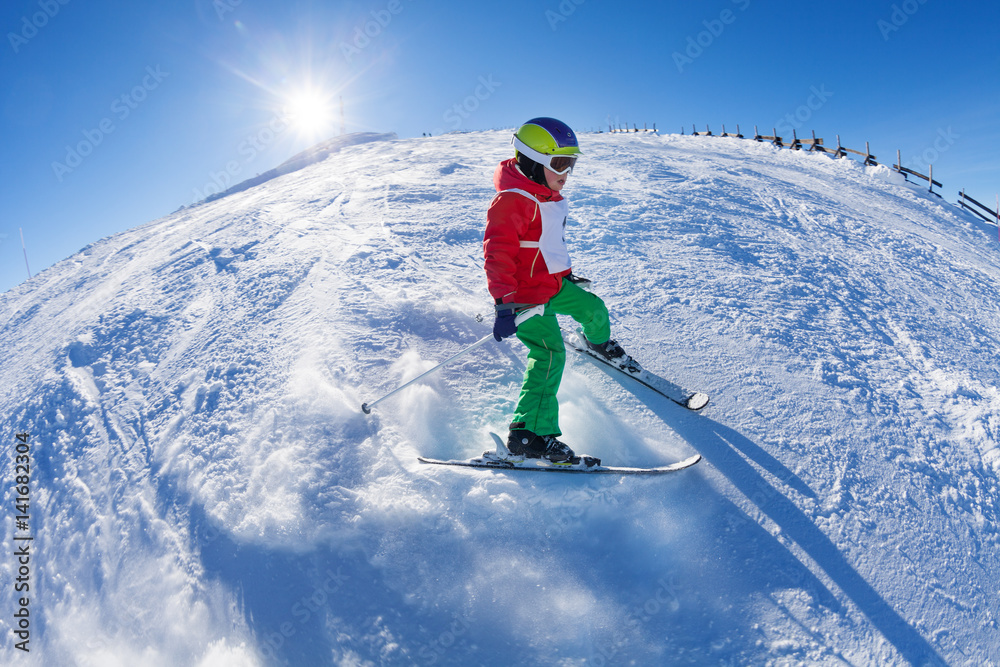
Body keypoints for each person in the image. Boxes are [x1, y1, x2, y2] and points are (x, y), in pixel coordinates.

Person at [483, 117, 639, 463]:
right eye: (559, 162)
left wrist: (565, 274)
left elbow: (546, 244)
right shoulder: (511, 201)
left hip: (553, 283)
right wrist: (505, 303)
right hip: (524, 297)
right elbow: (498, 254)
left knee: (594, 309)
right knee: (550, 354)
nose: (566, 171)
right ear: (531, 159)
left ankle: (597, 342)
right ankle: (527, 435)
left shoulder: (548, 195)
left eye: (571, 163)